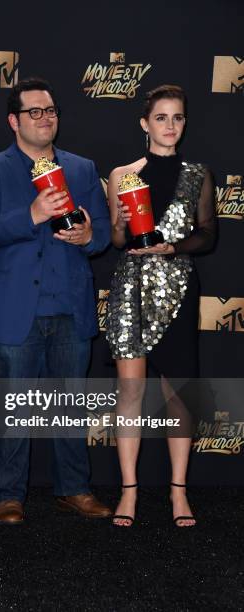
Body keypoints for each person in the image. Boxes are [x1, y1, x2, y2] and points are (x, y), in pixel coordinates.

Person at [0, 77, 112, 524]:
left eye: (50, 111)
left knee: (69, 405)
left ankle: (75, 488)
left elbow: (103, 233)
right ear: (14, 120)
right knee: (14, 406)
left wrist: (89, 236)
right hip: (14, 310)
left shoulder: (83, 169)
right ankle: (9, 494)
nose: (45, 118)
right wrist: (31, 215)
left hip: (69, 306)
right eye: (35, 112)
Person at [106, 84, 216, 527]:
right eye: (161, 118)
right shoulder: (123, 174)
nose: (170, 126)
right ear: (144, 123)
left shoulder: (198, 174)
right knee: (130, 393)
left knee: (179, 397)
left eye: (178, 118)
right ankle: (128, 492)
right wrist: (124, 223)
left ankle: (178, 493)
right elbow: (116, 241)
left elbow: (208, 235)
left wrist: (171, 248)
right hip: (131, 289)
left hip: (179, 290)